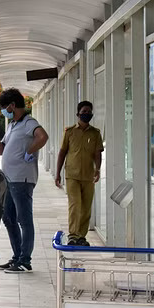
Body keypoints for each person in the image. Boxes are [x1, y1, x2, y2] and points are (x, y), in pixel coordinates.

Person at [0, 88, 48, 274]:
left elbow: (43, 137)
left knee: (24, 220)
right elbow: (1, 150)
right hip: (9, 179)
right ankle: (17, 256)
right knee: (8, 218)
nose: (3, 110)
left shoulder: (29, 122)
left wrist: (29, 151)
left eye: (4, 107)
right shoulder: (13, 125)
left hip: (22, 179)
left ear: (12, 105)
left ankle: (25, 260)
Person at [54, 101, 103, 246]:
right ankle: (73, 235)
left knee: (86, 207)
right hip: (72, 175)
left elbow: (97, 153)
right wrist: (58, 173)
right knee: (75, 205)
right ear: (78, 114)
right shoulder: (69, 132)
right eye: (84, 111)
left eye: (89, 112)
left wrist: (98, 169)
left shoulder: (96, 133)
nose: (86, 114)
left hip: (88, 175)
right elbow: (62, 152)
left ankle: (82, 236)